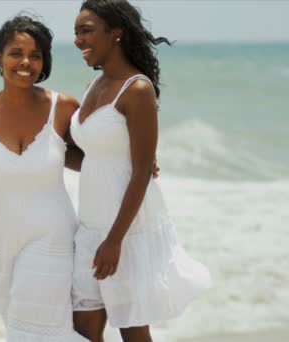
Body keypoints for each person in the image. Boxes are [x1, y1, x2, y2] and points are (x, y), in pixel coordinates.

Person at [69, 1, 211, 341]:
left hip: (125, 232)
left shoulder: (137, 90)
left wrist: (115, 241)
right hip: (90, 226)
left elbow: (142, 171)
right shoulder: (94, 86)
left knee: (132, 329)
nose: (77, 40)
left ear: (115, 32)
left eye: (86, 30)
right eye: (76, 32)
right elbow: (93, 158)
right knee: (83, 328)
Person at [0, 15, 88, 341]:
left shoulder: (64, 108)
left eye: (36, 55)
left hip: (53, 239)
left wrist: (141, 160)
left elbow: (98, 155)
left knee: (33, 332)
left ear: (44, 63)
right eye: (16, 53)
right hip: (1, 246)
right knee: (25, 327)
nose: (25, 62)